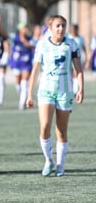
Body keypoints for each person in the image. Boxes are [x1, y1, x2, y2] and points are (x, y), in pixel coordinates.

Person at [26, 15, 84, 177]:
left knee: (61, 131)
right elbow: (35, 70)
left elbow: (78, 69)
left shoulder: (71, 44)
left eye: (63, 25)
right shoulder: (42, 44)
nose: (61, 29)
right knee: (45, 126)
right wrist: (29, 94)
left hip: (65, 92)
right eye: (57, 26)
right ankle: (48, 160)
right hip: (45, 91)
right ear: (50, 28)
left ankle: (60, 165)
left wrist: (80, 89)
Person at [9, 22, 35, 110]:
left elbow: (32, 46)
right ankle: (22, 97)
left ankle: (22, 103)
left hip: (26, 63)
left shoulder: (29, 38)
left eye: (26, 28)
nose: (26, 29)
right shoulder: (15, 38)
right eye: (24, 28)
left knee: (24, 82)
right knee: (18, 83)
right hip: (16, 63)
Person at [67, 24, 87, 93]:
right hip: (69, 58)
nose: (73, 31)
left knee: (76, 73)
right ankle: (72, 88)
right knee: (70, 73)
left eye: (75, 29)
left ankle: (75, 90)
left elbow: (84, 48)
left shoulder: (81, 38)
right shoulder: (68, 37)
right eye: (72, 29)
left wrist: (86, 57)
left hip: (77, 58)